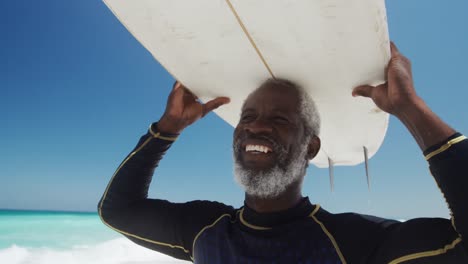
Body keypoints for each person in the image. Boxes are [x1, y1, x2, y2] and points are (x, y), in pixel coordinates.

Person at [98, 43, 468, 263]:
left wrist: (411, 108)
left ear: (311, 146)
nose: (256, 127)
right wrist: (166, 130)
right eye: (248, 116)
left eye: (279, 119)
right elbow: (116, 211)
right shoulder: (205, 230)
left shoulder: (356, 243)